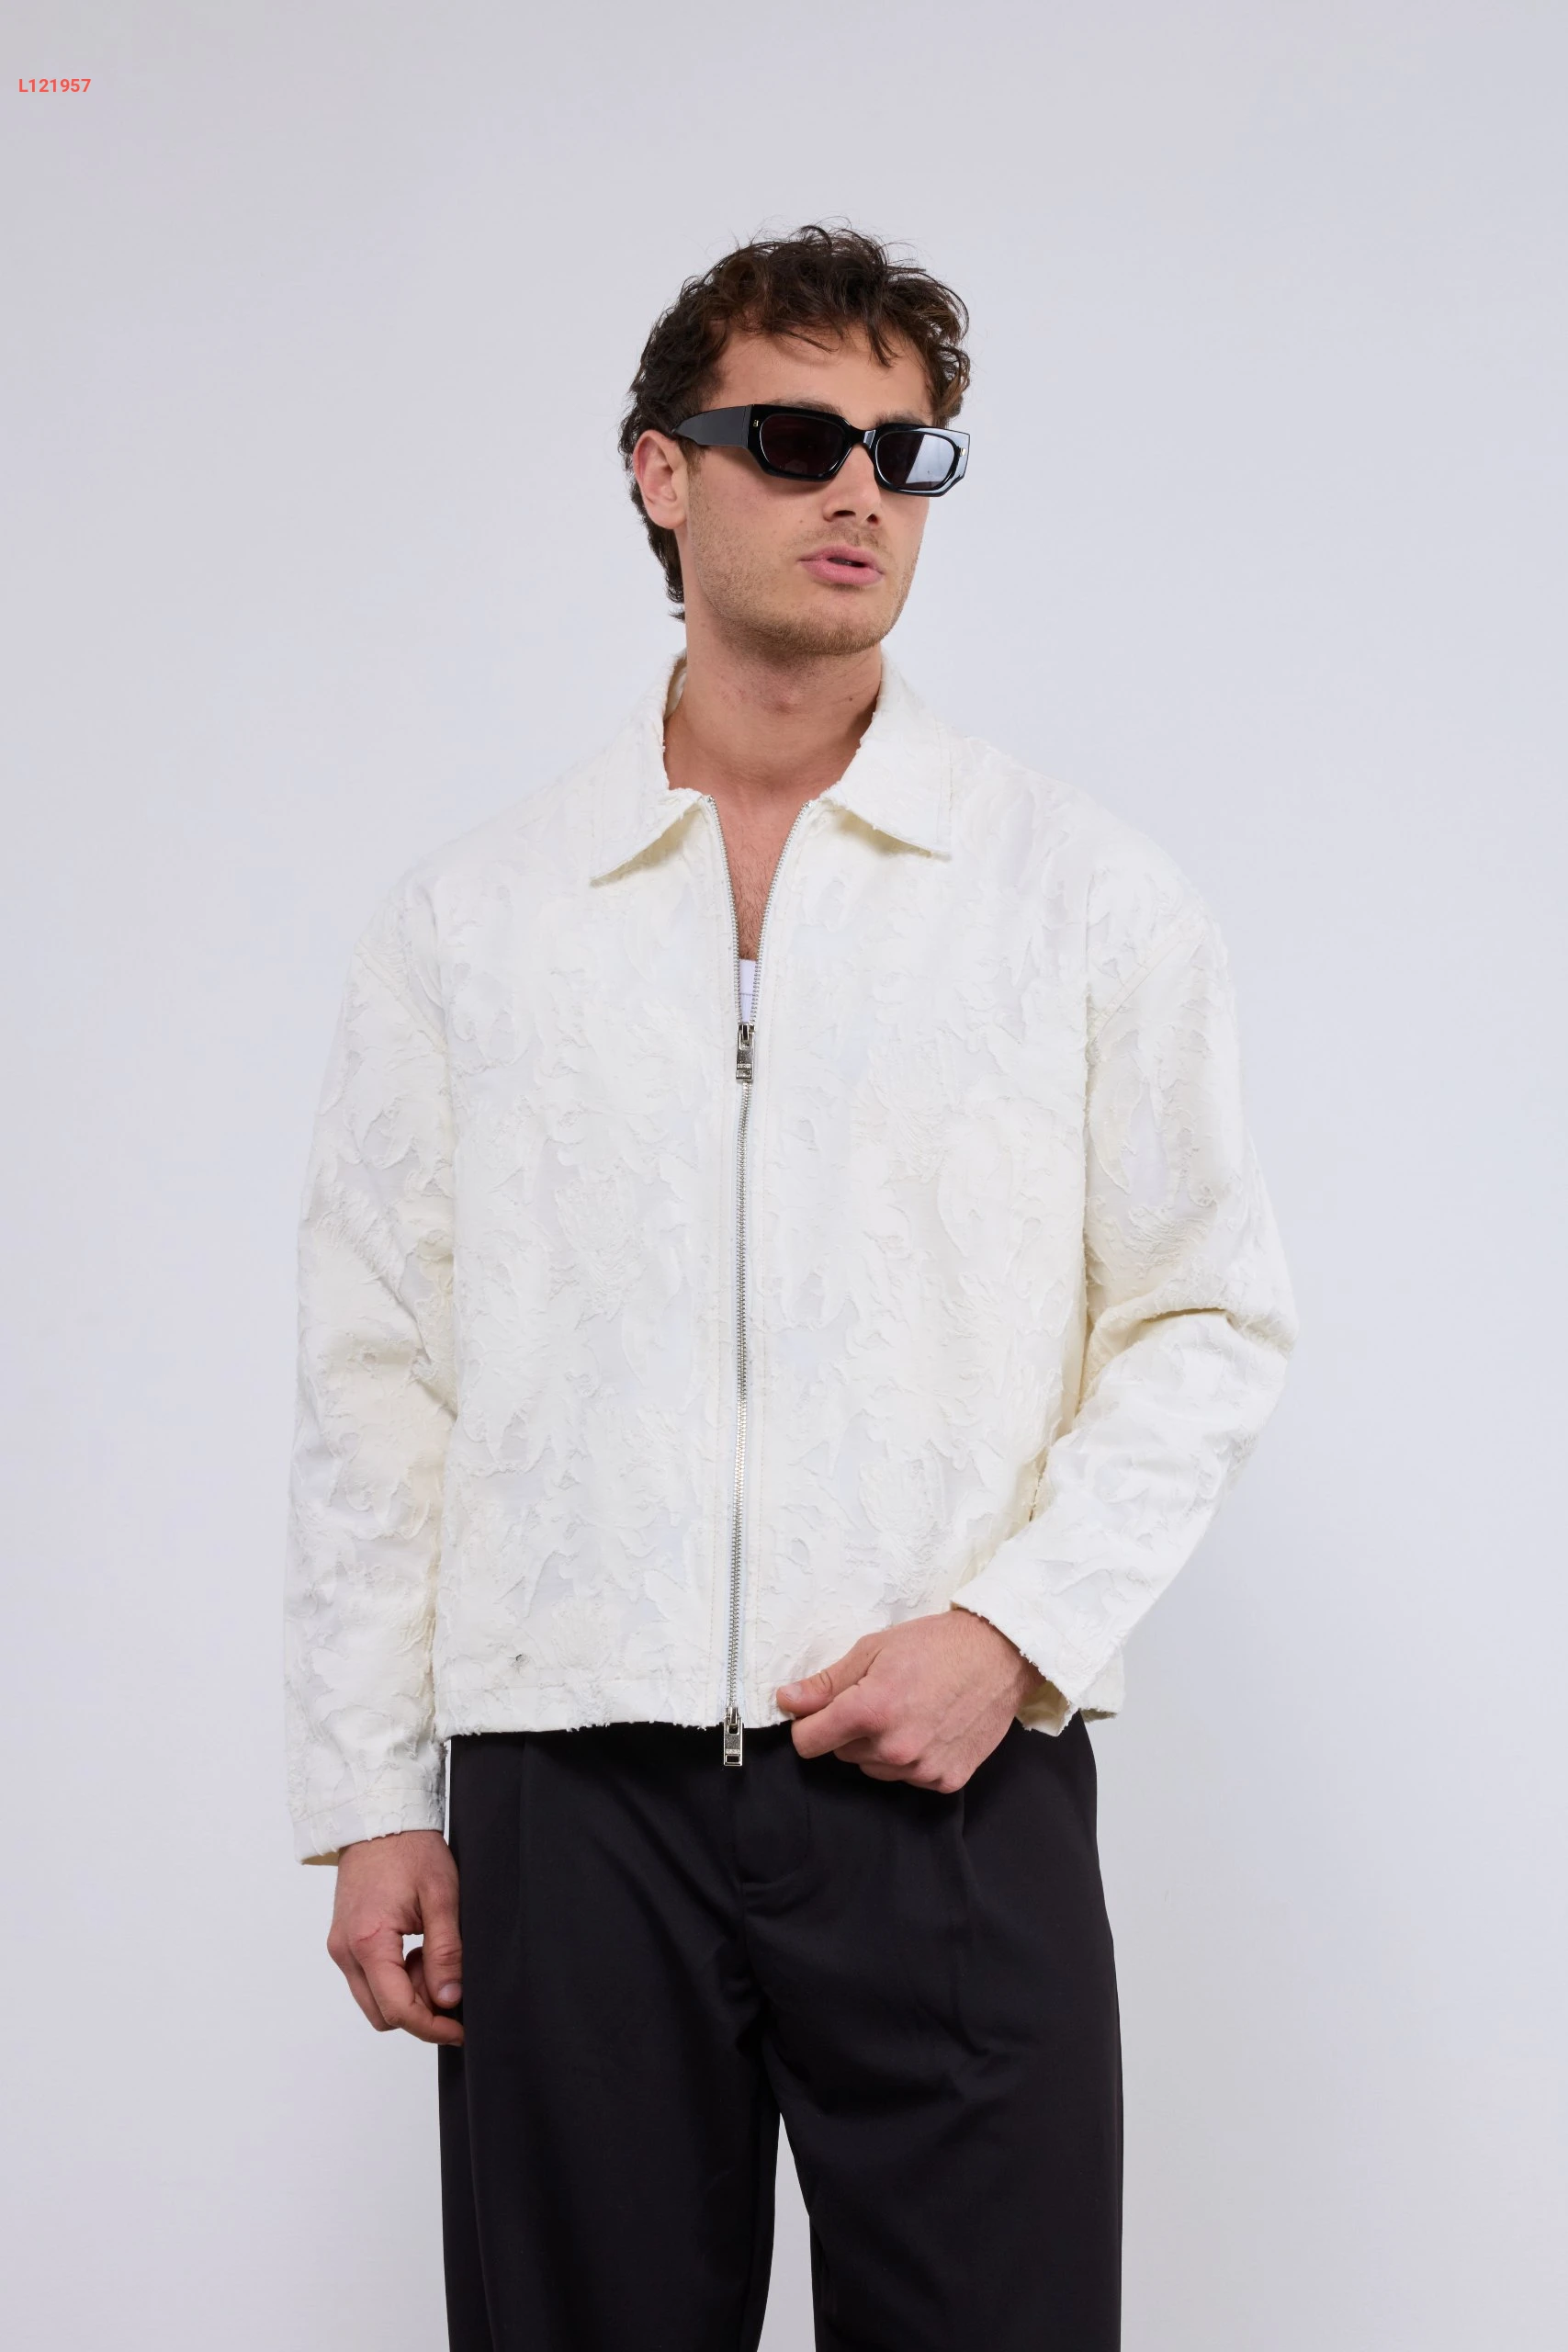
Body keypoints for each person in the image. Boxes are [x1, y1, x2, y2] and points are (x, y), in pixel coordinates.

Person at [285, 222, 1297, 2351]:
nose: (860, 489)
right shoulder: (476, 920)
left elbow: (1204, 1315)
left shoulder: (1078, 897)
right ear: (661, 472)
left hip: (946, 1781)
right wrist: (375, 1792)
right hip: (571, 1784)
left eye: (907, 453)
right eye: (798, 436)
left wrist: (1010, 1628)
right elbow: (382, 1377)